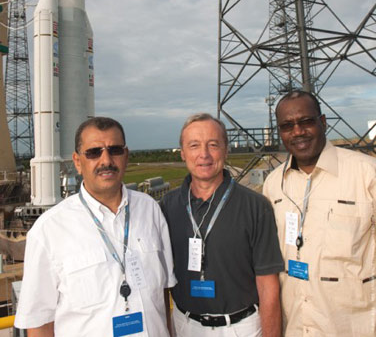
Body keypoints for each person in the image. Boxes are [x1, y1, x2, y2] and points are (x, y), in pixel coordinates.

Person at [15, 116, 176, 337]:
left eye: (115, 150)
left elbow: (163, 292)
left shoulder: (150, 210)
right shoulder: (48, 231)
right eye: (93, 152)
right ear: (78, 161)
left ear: (126, 156)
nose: (106, 160)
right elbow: (39, 323)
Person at [263, 90, 376, 336]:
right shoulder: (273, 185)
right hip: (296, 327)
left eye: (306, 122)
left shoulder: (367, 174)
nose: (297, 132)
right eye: (287, 125)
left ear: (322, 122)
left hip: (352, 328)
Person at [160, 113, 284, 337]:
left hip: (241, 327)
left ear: (226, 150)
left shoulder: (255, 206)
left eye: (213, 144)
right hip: (185, 325)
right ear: (183, 153)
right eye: (194, 145)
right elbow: (162, 279)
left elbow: (268, 286)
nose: (204, 155)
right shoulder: (167, 206)